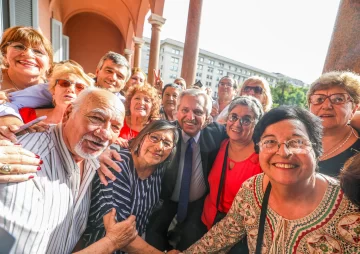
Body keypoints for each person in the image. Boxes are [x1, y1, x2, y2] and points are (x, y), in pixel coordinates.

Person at [181, 106, 360, 253]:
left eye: (297, 142)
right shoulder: (252, 189)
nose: (283, 153)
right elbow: (223, 234)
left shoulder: (351, 205)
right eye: (270, 142)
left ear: (317, 149)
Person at [0, 88, 140, 253]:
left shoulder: (92, 160)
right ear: (67, 114)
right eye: (96, 118)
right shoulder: (22, 159)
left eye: (115, 127)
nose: (105, 133)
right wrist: (111, 242)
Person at [146, 89, 227, 251]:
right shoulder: (164, 132)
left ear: (207, 117)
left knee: (191, 245)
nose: (190, 117)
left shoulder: (216, 134)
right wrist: (109, 150)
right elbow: (136, 146)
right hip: (164, 202)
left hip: (197, 207)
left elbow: (245, 134)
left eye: (198, 112)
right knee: (152, 241)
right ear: (176, 112)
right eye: (185, 110)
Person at [83, 120, 179, 254]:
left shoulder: (158, 169)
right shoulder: (117, 167)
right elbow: (119, 232)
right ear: (142, 137)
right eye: (154, 138)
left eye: (167, 143)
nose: (159, 146)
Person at [201, 96, 263, 253]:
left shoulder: (262, 159)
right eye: (233, 117)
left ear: (256, 125)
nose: (237, 124)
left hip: (239, 236)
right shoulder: (218, 144)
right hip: (207, 221)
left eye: (247, 120)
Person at [0, 51, 131, 125]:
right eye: (109, 71)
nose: (113, 78)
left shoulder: (124, 105)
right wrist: (10, 120)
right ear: (98, 71)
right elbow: (10, 101)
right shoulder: (74, 83)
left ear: (124, 83)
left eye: (119, 76)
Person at [308, 71, 360, 177]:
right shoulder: (295, 138)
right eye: (319, 99)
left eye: (338, 99)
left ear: (354, 109)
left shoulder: (357, 153)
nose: (326, 106)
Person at [19, 61, 94, 124]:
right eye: (64, 83)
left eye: (80, 87)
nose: (70, 89)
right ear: (53, 91)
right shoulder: (25, 115)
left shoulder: (86, 127)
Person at [0, 26, 53, 91]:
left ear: (49, 64)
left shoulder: (55, 89)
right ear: (4, 54)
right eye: (19, 47)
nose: (29, 55)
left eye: (38, 51)